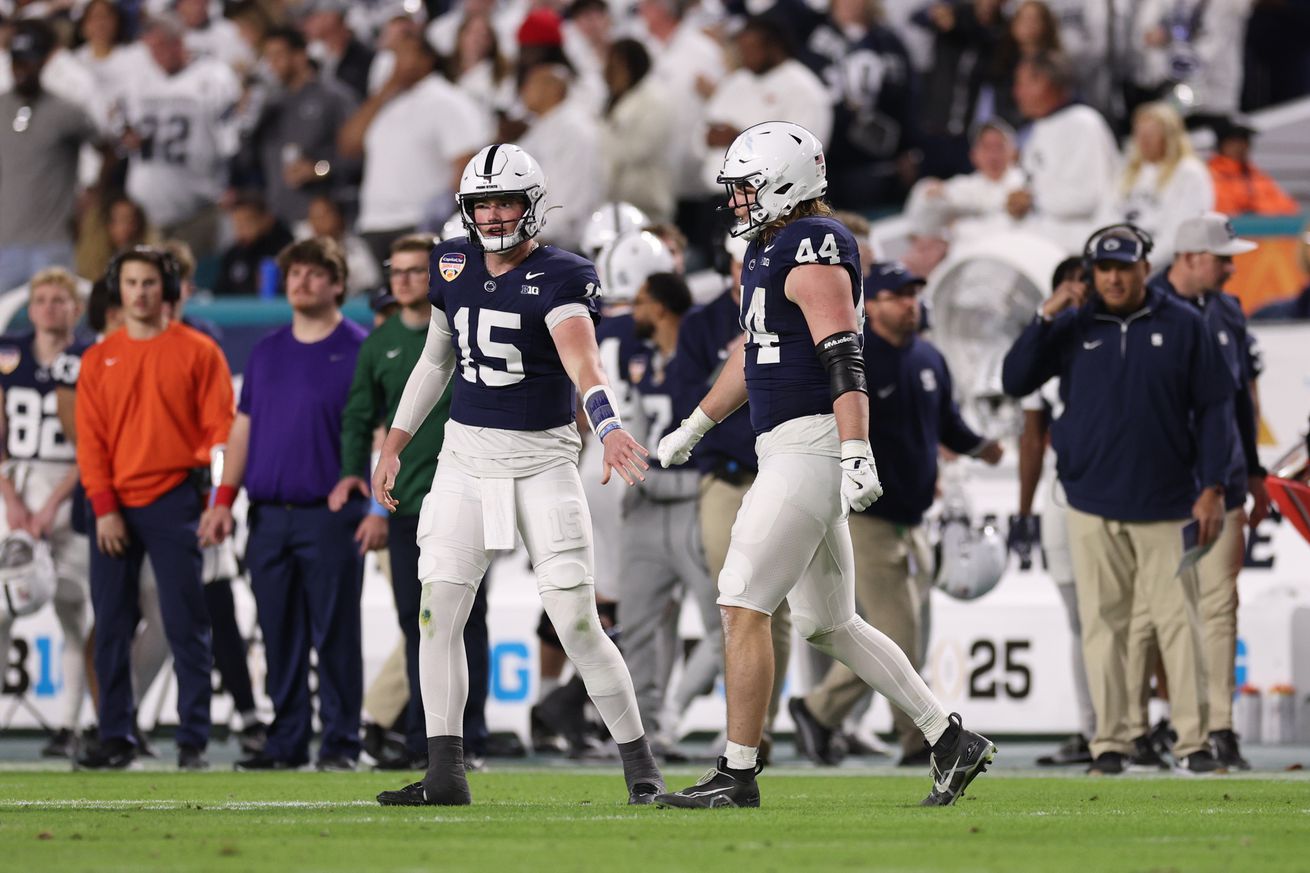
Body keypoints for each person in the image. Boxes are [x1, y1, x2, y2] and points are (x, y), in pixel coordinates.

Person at [654, 121, 995, 809]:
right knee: (827, 622)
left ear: (784, 181)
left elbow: (844, 352)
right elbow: (754, 356)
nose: (738, 200)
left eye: (748, 186)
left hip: (809, 443)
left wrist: (854, 447)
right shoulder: (766, 250)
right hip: (785, 442)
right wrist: (695, 423)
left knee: (741, 600)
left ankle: (737, 770)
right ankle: (949, 738)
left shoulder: (815, 244)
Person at [371, 143, 664, 807]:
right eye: (484, 203)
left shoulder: (564, 274)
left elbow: (584, 363)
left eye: (507, 201)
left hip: (542, 461)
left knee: (577, 622)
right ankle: (445, 771)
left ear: (532, 205)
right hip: (466, 459)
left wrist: (610, 425)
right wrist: (394, 442)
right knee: (437, 613)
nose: (496, 214)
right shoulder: (453, 262)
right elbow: (435, 361)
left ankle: (641, 766)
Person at [1002, 223, 1233, 775]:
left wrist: (1213, 488)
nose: (1112, 278)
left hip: (1169, 500)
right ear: (1090, 272)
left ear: (1143, 267)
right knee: (1104, 625)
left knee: (1179, 623)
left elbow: (1217, 409)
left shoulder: (1185, 323)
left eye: (1122, 267)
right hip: (1090, 500)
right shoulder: (1073, 325)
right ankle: (1111, 742)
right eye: (1102, 268)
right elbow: (1015, 379)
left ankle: (1194, 741)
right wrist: (1047, 312)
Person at [789, 261, 1003, 768]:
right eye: (896, 295)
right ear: (873, 303)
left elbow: (946, 422)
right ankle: (869, 725)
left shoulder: (929, 357)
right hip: (869, 517)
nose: (909, 303)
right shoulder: (856, 359)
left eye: (912, 294)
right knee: (898, 634)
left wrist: (978, 447)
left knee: (915, 635)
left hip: (915, 519)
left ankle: (833, 717)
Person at [198, 238, 367, 772]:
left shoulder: (360, 348)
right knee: (277, 633)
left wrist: (369, 490)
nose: (301, 281)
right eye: (294, 272)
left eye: (315, 273)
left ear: (337, 284)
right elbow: (241, 429)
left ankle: (341, 742)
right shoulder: (267, 350)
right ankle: (287, 740)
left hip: (329, 514)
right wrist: (223, 498)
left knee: (336, 633)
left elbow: (384, 428)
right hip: (268, 514)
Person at [331, 234, 491, 770]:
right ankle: (427, 740)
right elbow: (358, 416)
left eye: (412, 270)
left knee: (471, 620)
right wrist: (357, 478)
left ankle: (470, 736)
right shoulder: (377, 346)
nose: (402, 280)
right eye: (394, 271)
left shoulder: (468, 330)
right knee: (414, 622)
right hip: (407, 503)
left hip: (471, 493)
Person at [74, 246, 235, 770]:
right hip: (115, 505)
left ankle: (192, 739)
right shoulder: (98, 359)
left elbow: (221, 434)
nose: (140, 293)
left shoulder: (199, 351)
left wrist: (217, 500)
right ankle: (115, 734)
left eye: (149, 283)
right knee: (112, 624)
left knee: (186, 623)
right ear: (117, 291)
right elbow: (91, 442)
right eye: (131, 283)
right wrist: (103, 508)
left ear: (165, 289)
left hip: (176, 501)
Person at [1125, 212, 1271, 771]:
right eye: (1223, 257)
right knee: (1146, 613)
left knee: (1218, 608)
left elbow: (1235, 401)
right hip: (1162, 487)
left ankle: (1219, 727)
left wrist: (1251, 469)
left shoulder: (1227, 310)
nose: (1233, 267)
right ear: (1190, 257)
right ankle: (1134, 728)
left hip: (1224, 479)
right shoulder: (1145, 306)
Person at [616, 270, 721, 756]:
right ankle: (646, 732)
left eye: (639, 301)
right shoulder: (640, 355)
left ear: (659, 306)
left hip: (693, 493)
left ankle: (698, 718)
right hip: (645, 496)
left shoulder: (700, 354)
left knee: (725, 625)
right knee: (636, 623)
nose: (633, 311)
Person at [0, 268, 90, 758]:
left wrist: (52, 503)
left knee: (73, 608)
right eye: (43, 300)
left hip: (70, 483)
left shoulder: (89, 358)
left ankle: (71, 725)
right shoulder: (8, 354)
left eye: (61, 299)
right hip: (17, 484)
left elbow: (93, 445)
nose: (51, 307)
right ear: (30, 308)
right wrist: (13, 500)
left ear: (76, 308)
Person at [1011, 256, 1097, 767]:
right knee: (1082, 620)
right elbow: (1031, 438)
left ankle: (1133, 724)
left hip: (1115, 489)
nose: (1080, 291)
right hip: (1065, 492)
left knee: (1128, 618)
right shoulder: (1052, 343)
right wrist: (1023, 512)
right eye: (1069, 285)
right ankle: (1095, 728)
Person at [0, 19, 100, 292]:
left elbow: (106, 148)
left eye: (28, 62)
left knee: (59, 322)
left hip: (52, 241)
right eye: (17, 62)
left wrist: (90, 195)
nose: (22, 70)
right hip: (4, 242)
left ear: (43, 63)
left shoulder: (65, 112)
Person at [1006, 51, 1120, 253]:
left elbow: (1087, 196)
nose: (1016, 92)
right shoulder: (1039, 128)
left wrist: (1033, 200)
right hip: (1040, 241)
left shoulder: (1083, 123)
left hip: (1077, 248)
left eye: (1022, 84)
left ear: (1046, 83)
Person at [1099, 102, 1213, 266]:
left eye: (1152, 134)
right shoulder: (1127, 172)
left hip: (1163, 268)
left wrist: (1141, 263)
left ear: (1169, 137)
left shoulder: (1189, 172)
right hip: (1122, 264)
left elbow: (1182, 232)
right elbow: (1106, 218)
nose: (1144, 140)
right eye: (1140, 133)